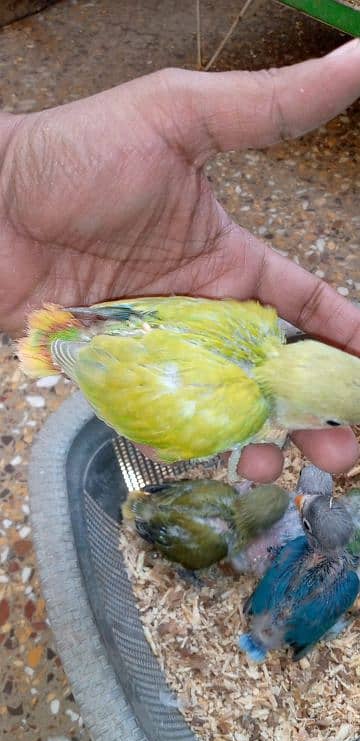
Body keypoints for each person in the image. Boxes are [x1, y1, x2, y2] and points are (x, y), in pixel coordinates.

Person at [1, 39, 360, 481]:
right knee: (191, 446)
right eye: (329, 420)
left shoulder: (259, 326)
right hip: (84, 344)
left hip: (106, 320)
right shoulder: (237, 416)